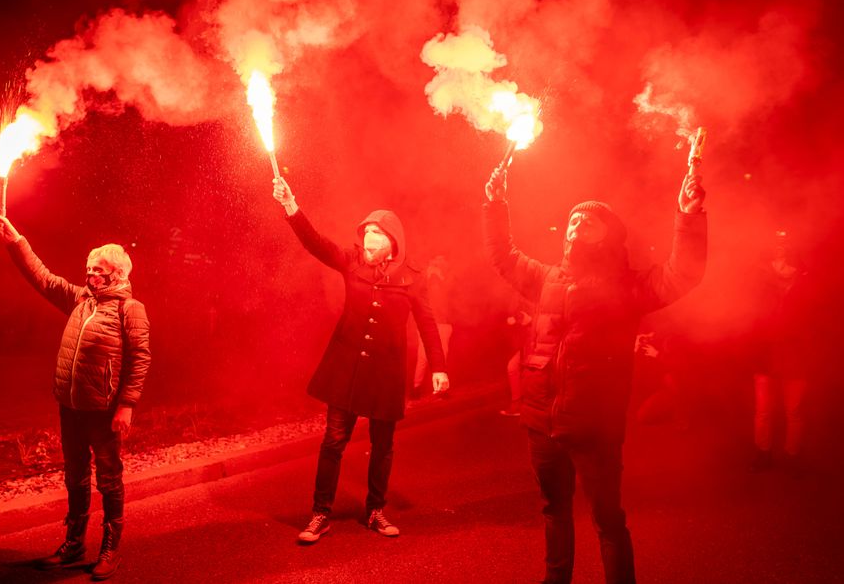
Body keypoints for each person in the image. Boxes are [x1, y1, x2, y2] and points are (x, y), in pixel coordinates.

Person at [482, 167, 706, 584]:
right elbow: (504, 258)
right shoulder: (548, 277)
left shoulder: (626, 286)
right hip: (541, 423)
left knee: (607, 518)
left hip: (594, 425)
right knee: (554, 511)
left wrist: (687, 215)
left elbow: (683, 274)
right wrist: (496, 205)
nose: (576, 222)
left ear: (608, 235)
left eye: (588, 219)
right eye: (572, 218)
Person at [272, 177, 449, 544]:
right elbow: (316, 244)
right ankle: (321, 513)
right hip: (347, 369)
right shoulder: (350, 261)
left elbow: (428, 324)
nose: (368, 237)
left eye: (377, 233)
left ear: (392, 243)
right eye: (366, 230)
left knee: (383, 444)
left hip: (386, 373)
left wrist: (440, 367)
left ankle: (375, 510)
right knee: (333, 441)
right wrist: (292, 207)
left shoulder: (412, 279)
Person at [0, 215, 150, 581]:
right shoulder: (81, 300)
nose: (90, 275)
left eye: (98, 270)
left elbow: (140, 359)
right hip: (71, 405)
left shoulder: (130, 310)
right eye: (88, 268)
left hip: (104, 408)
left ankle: (110, 549)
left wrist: (126, 405)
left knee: (108, 478)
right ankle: (73, 544)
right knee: (75, 476)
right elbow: (43, 278)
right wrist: (17, 241)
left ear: (117, 275)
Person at [749, 232, 813, 474]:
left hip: (796, 357)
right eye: (776, 249)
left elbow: (814, 321)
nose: (780, 255)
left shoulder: (805, 283)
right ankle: (763, 453)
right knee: (763, 410)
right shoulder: (760, 284)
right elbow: (750, 319)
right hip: (765, 355)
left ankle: (792, 457)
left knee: (794, 411)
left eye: (785, 249)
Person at [413, 254, 455, 398]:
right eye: (441, 260)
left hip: (436, 322)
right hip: (437, 323)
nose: (444, 263)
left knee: (424, 356)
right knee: (435, 355)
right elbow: (439, 303)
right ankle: (438, 389)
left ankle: (417, 388)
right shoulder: (435, 279)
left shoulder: (431, 277)